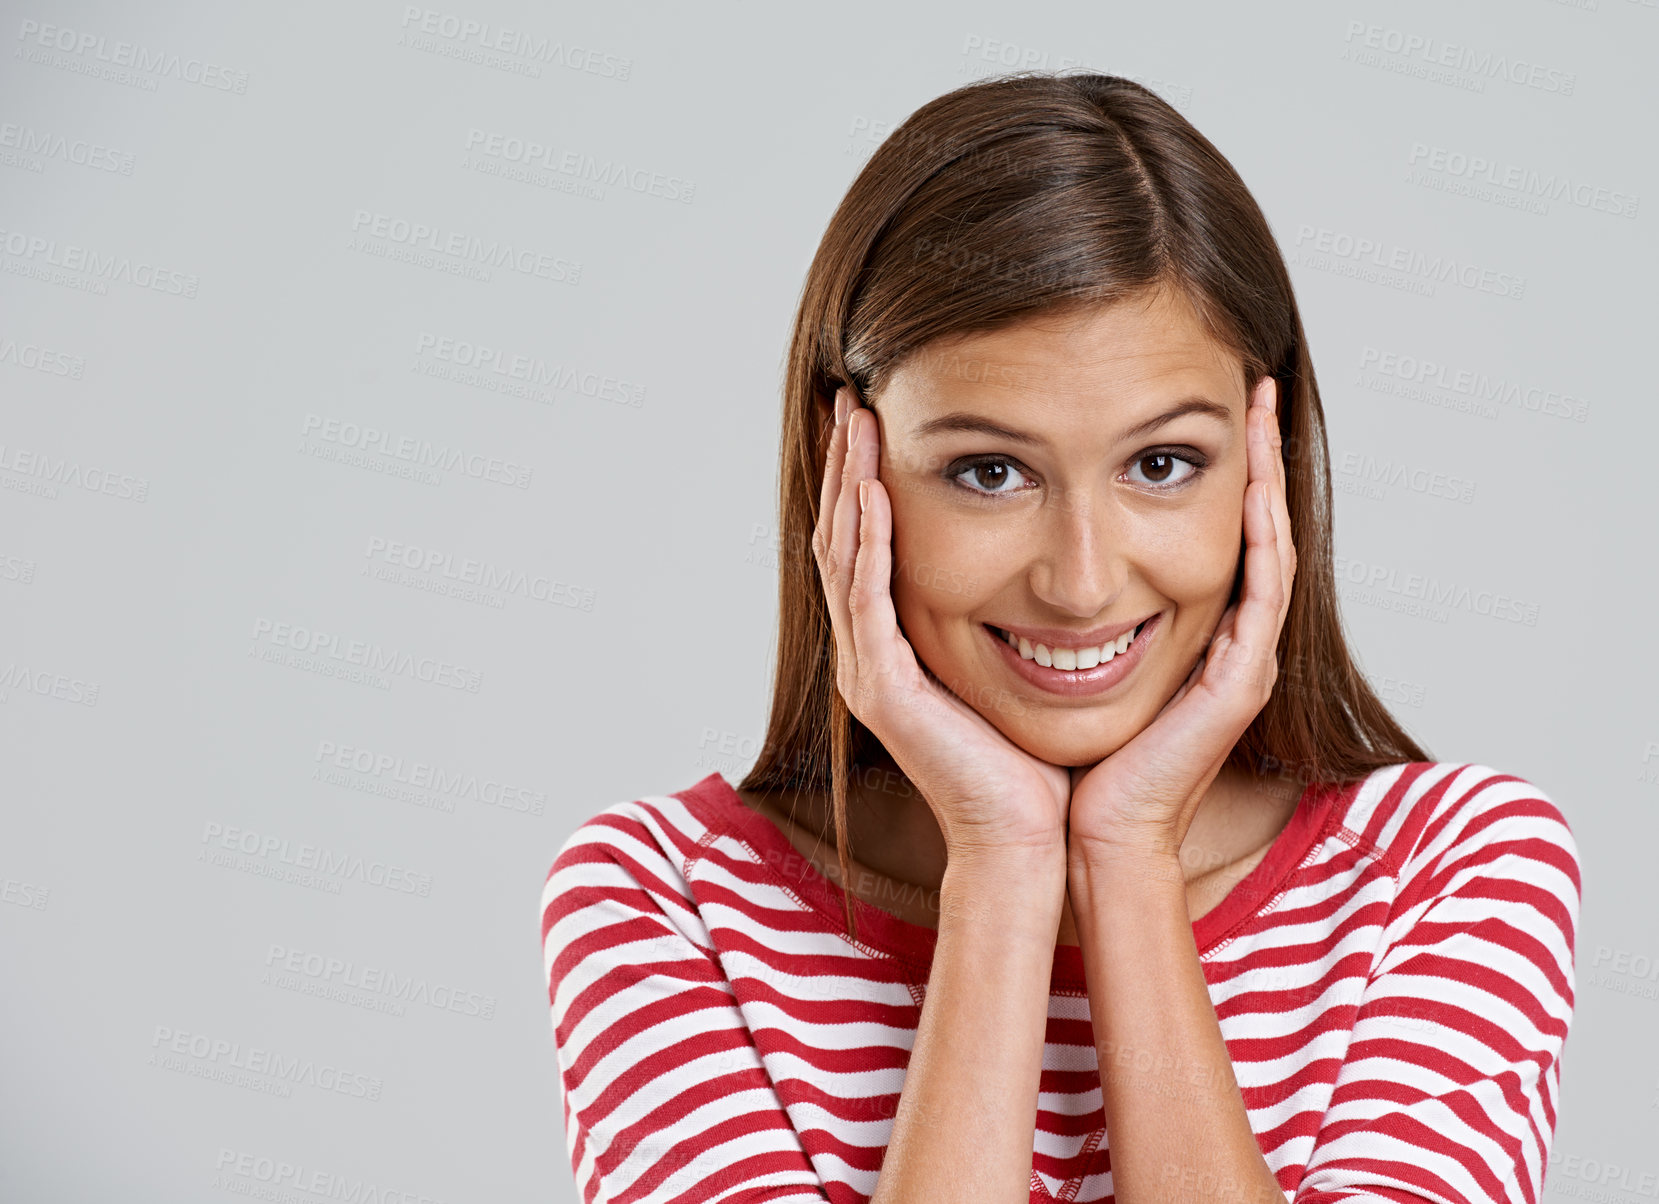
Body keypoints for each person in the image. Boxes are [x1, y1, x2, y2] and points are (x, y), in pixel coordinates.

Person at [539, 71, 1580, 1204]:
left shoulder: (1445, 876)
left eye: (1162, 464)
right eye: (991, 472)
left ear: (1263, 461)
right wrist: (1001, 865)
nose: (1082, 582)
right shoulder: (663, 904)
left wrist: (1128, 863)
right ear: (849, 468)